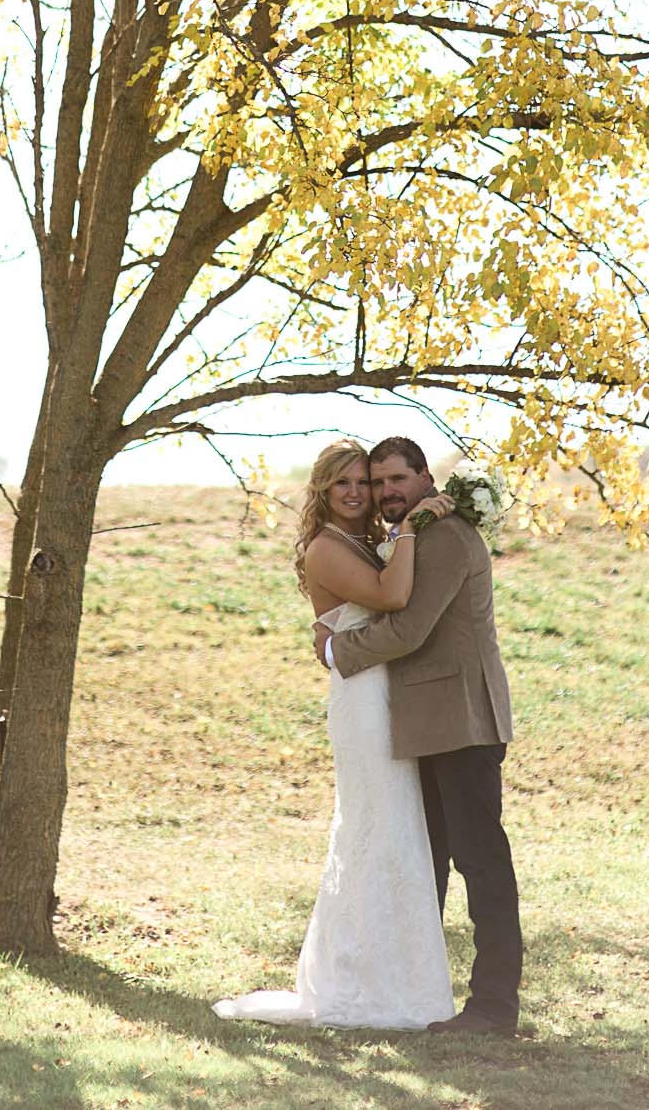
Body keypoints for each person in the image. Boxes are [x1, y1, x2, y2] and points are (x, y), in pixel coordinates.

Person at [212, 437, 458, 1029]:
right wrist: (415, 526)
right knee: (378, 825)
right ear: (323, 491)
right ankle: (359, 983)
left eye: (365, 483)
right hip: (364, 697)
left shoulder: (363, 540)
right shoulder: (327, 548)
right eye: (343, 483)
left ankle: (394, 975)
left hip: (386, 690)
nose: (357, 493)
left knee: (396, 827)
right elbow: (393, 596)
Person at [324, 436, 522, 1037]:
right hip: (429, 724)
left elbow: (408, 629)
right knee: (429, 860)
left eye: (395, 480)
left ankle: (494, 1006)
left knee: (478, 859)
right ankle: (421, 992)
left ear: (424, 477)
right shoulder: (416, 533)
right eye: (377, 481)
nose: (385, 491)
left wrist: (338, 649)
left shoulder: (444, 537)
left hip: (460, 721)